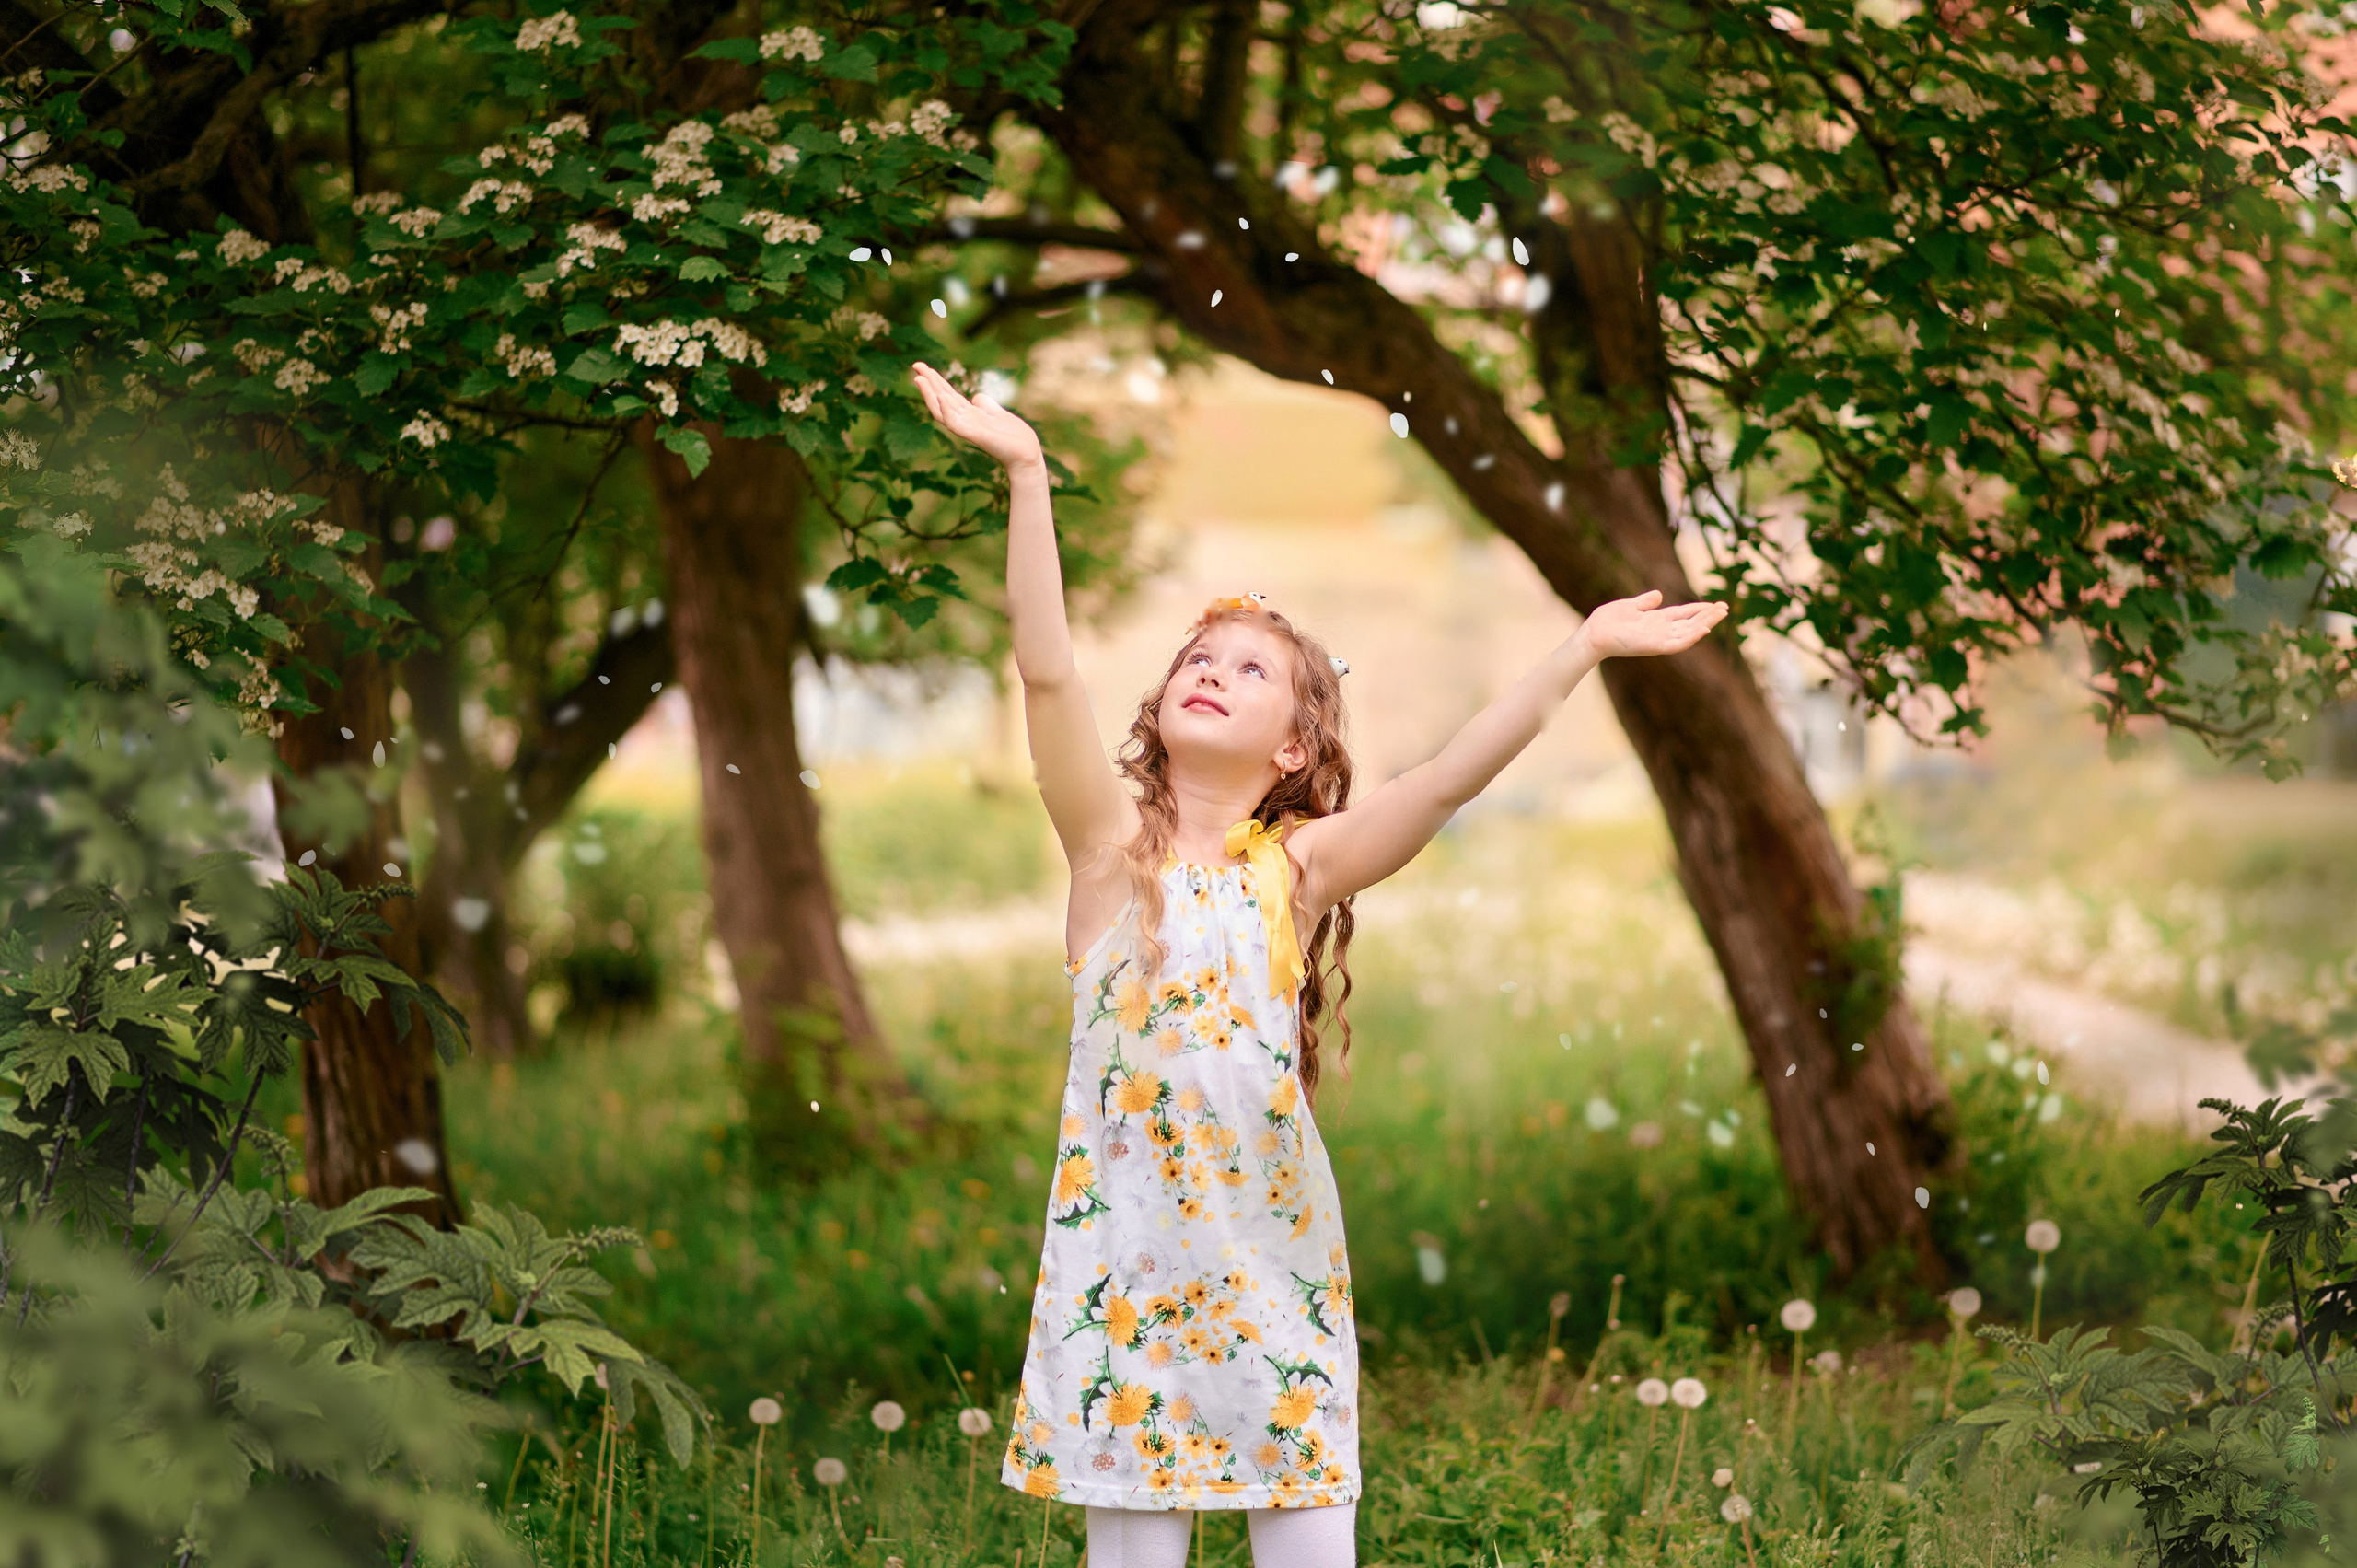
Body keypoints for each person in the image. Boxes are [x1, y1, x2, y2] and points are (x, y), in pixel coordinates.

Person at [908, 361, 1727, 1568]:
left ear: (1294, 746)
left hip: (1274, 1279)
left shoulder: (1296, 873)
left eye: (1249, 670)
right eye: (1200, 655)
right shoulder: (1104, 857)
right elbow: (1046, 674)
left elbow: (1443, 778)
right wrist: (1028, 474)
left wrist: (1582, 649)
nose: (1211, 670)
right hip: (1124, 1288)